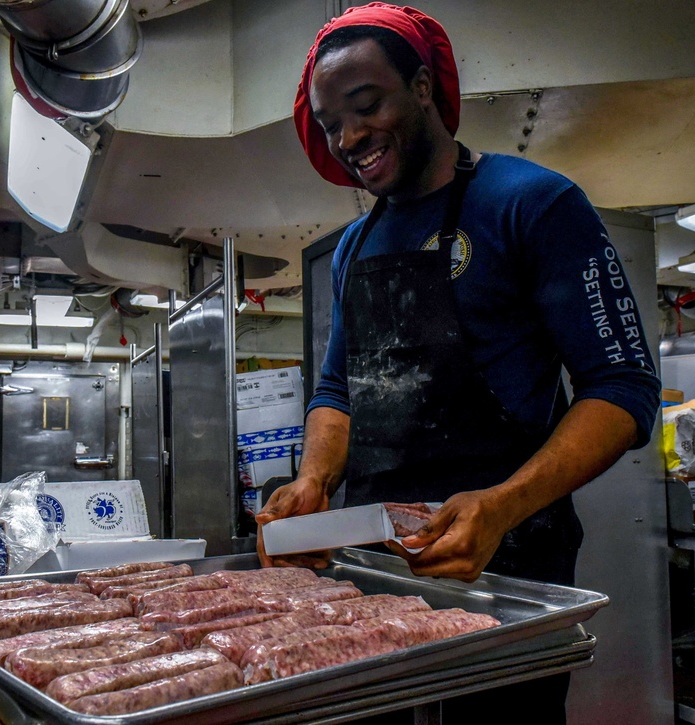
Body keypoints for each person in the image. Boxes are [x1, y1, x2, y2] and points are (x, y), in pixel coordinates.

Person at [255, 3, 660, 722]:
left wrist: (501, 506)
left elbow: (623, 390)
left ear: (420, 87)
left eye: (365, 104)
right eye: (328, 125)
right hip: (372, 569)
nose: (348, 137)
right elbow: (337, 389)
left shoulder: (531, 202)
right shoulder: (354, 246)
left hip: (506, 567)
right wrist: (314, 479)